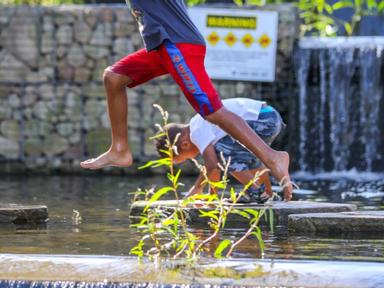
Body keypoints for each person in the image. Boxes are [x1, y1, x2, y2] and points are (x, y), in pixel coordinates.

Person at [80, 0, 293, 201]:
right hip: (161, 46)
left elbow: (212, 166)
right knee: (113, 77)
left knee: (212, 111)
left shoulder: (198, 132)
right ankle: (119, 150)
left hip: (177, 44)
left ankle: (272, 157)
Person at [155, 98, 286, 203]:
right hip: (270, 116)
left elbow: (212, 165)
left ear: (184, 144)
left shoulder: (196, 130)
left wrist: (197, 188)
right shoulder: (200, 124)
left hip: (262, 119)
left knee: (220, 154)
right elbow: (214, 170)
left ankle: (256, 191)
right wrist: (213, 196)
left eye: (186, 158)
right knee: (248, 157)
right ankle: (267, 194)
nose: (191, 159)